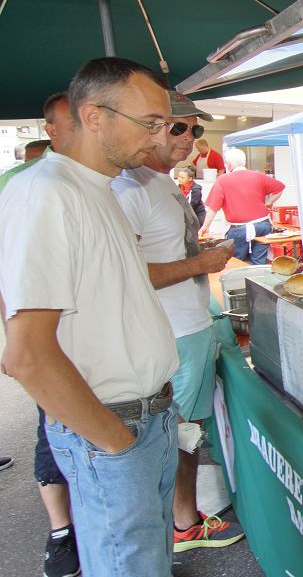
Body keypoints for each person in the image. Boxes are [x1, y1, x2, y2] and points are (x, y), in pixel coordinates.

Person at [0, 57, 180, 576]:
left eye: (163, 124)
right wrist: (114, 441)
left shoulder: (97, 189)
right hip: (114, 428)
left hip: (146, 419)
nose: (160, 136)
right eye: (150, 122)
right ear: (94, 116)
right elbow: (27, 354)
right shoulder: (46, 194)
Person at [111, 91, 245, 554]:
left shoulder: (164, 183)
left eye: (195, 129)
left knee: (188, 429)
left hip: (190, 325)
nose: (189, 138)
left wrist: (203, 256)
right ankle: (182, 524)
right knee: (181, 432)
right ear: (150, 127)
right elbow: (125, 275)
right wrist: (202, 263)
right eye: (177, 127)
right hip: (170, 332)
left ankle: (179, 518)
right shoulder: (129, 188)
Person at [0, 92, 82, 577]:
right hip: (49, 341)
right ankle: (60, 533)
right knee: (53, 430)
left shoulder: (89, 185)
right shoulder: (28, 188)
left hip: (85, 345)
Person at [198, 148, 285, 264]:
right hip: (262, 225)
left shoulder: (222, 180)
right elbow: (280, 188)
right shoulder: (258, 176)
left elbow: (213, 208)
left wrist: (205, 226)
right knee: (259, 263)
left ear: (228, 164)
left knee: (236, 263)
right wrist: (269, 202)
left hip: (239, 229)